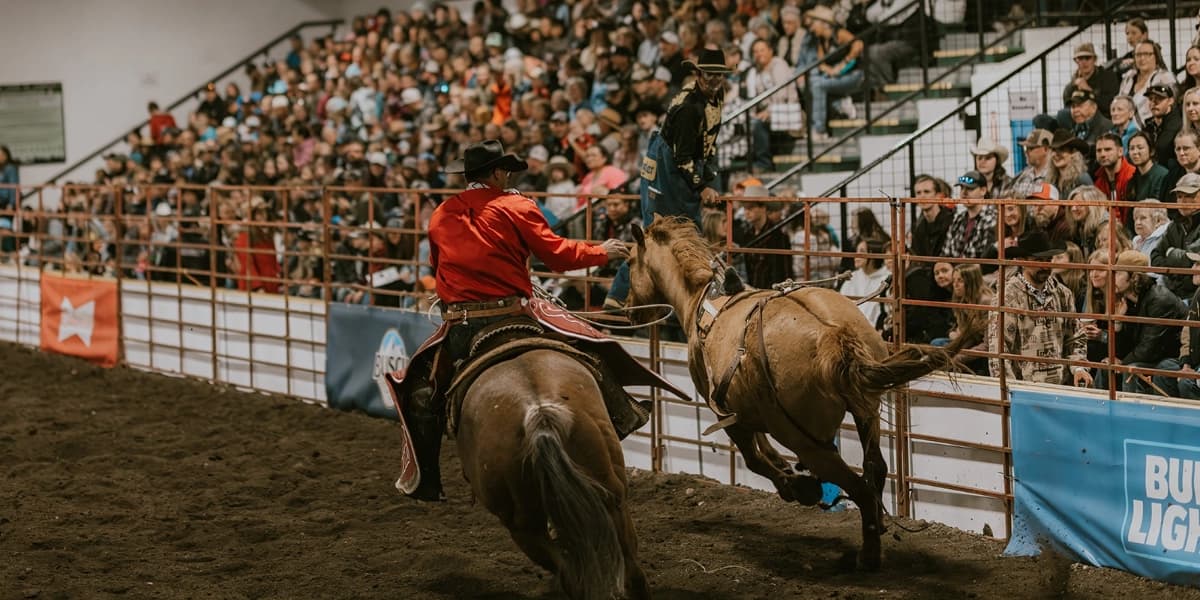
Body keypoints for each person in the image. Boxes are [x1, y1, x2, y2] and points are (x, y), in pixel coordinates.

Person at [390, 140, 662, 502]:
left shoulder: (440, 214)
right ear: (499, 172)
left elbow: (436, 267)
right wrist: (601, 252)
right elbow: (556, 255)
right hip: (514, 313)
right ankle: (621, 416)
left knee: (422, 393)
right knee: (588, 348)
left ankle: (426, 480)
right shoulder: (516, 205)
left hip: (463, 325)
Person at [605, 47, 732, 308]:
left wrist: (706, 173)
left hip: (680, 161)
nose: (714, 79)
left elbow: (707, 140)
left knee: (686, 228)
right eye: (709, 74)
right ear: (698, 74)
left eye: (719, 74)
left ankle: (686, 293)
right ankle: (619, 294)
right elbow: (682, 157)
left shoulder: (715, 96)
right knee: (656, 232)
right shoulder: (689, 107)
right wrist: (703, 186)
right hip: (668, 166)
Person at [988, 232, 1092, 386]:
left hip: (1060, 384)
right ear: (1022, 261)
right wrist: (1008, 388)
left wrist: (1078, 368)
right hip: (1024, 386)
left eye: (1048, 260)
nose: (1045, 266)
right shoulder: (1007, 297)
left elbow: (1076, 337)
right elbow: (999, 348)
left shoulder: (1063, 294)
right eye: (1038, 260)